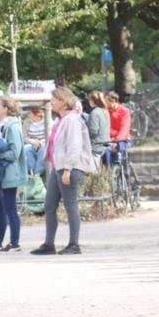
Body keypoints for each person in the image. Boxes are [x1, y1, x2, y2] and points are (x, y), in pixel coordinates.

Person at [31, 87, 96, 256]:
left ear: (62, 101)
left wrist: (68, 168)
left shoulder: (72, 119)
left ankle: (74, 244)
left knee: (70, 205)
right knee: (49, 205)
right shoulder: (61, 119)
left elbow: (74, 146)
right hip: (57, 167)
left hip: (69, 167)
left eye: (53, 99)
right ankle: (49, 244)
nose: (50, 102)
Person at [0, 98, 27, 253]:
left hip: (9, 173)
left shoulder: (13, 126)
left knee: (10, 208)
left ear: (6, 109)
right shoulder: (1, 125)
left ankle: (15, 243)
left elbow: (15, 153)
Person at [104, 91, 132, 166]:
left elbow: (124, 128)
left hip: (123, 139)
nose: (105, 103)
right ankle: (110, 172)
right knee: (107, 151)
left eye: (106, 101)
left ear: (113, 101)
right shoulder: (106, 111)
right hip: (110, 139)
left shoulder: (124, 111)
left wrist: (116, 141)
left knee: (120, 151)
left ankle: (124, 171)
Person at [86, 91, 111, 167]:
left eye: (89, 100)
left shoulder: (94, 113)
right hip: (103, 143)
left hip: (95, 145)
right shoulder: (105, 111)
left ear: (93, 101)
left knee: (92, 171)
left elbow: (93, 131)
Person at [23, 105, 47, 176]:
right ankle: (31, 170)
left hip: (43, 142)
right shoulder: (26, 122)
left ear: (37, 114)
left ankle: (38, 172)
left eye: (30, 113)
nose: (28, 115)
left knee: (43, 149)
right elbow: (24, 136)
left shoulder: (47, 121)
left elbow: (50, 135)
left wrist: (40, 142)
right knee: (26, 149)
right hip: (31, 143)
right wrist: (33, 142)